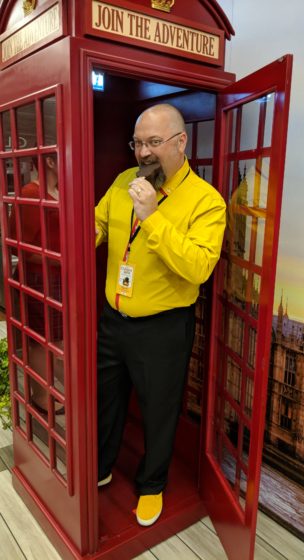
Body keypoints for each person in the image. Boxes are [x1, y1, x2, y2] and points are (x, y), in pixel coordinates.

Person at [95, 103, 226, 527]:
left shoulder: (206, 202)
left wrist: (152, 217)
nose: (144, 153)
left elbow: (198, 267)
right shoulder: (122, 182)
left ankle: (151, 485)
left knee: (159, 410)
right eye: (138, 143)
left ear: (180, 142)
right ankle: (99, 465)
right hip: (114, 319)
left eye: (154, 142)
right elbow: (96, 226)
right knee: (106, 400)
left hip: (163, 327)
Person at [10, 155, 63, 415]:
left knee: (54, 337)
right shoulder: (30, 194)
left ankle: (48, 388)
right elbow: (18, 243)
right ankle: (41, 397)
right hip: (37, 277)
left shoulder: (58, 192)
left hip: (57, 276)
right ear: (51, 161)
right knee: (40, 340)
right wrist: (59, 259)